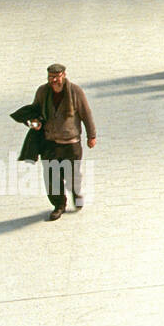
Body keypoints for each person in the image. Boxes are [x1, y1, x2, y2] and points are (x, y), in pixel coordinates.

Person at [28, 64, 98, 220]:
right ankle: (59, 205)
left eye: (56, 77)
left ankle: (77, 194)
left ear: (64, 75)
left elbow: (86, 114)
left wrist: (91, 136)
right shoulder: (42, 92)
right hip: (50, 142)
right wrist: (33, 122)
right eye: (50, 77)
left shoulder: (75, 92)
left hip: (71, 143)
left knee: (72, 175)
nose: (54, 80)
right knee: (52, 177)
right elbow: (34, 111)